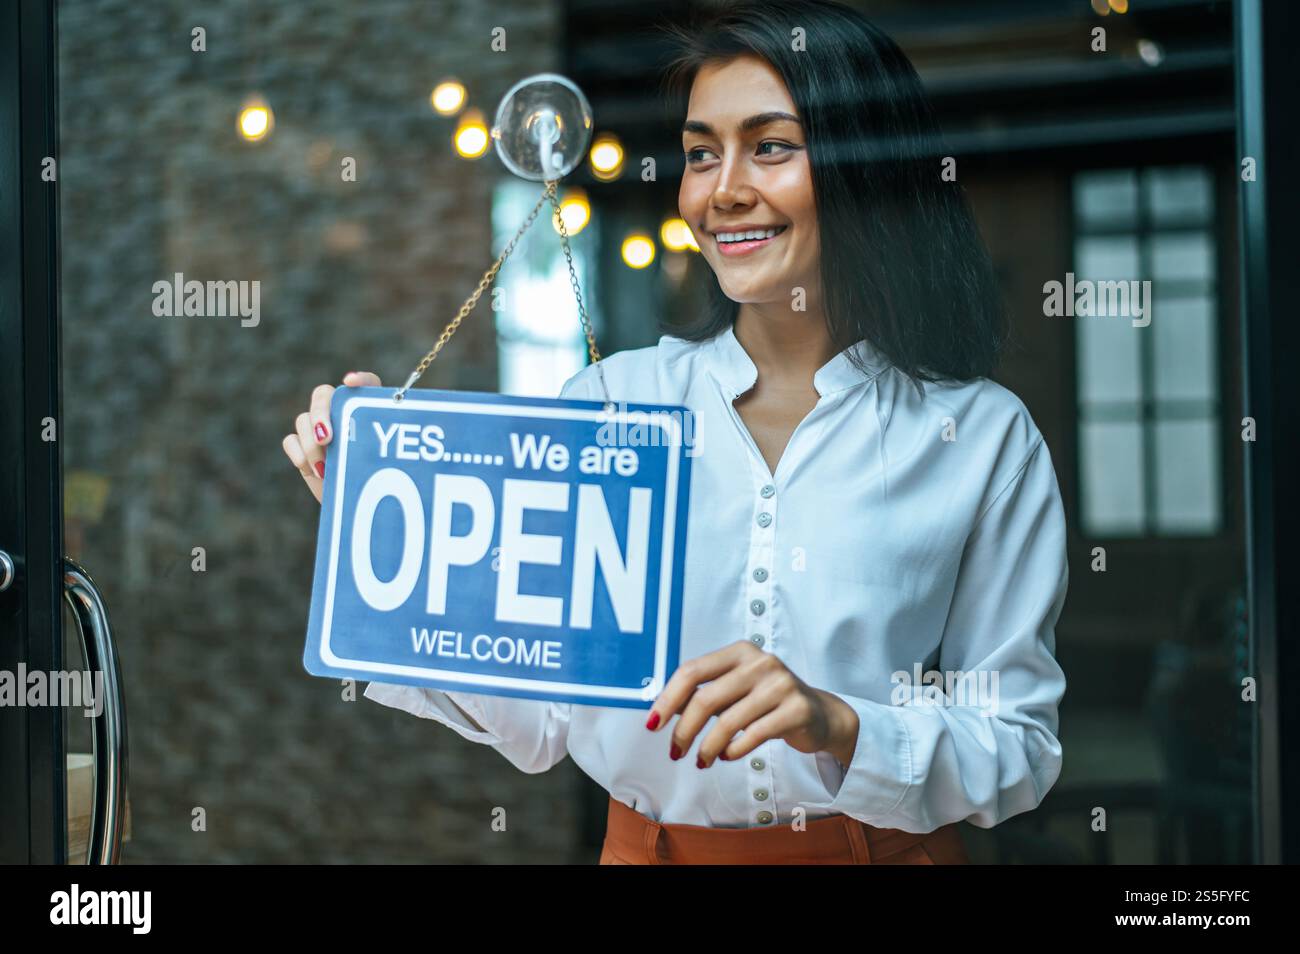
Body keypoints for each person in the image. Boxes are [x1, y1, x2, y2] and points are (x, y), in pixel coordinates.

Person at [281, 0, 1067, 865]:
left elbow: (1019, 749)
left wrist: (843, 726)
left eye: (770, 146)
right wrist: (379, 520)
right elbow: (541, 722)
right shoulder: (608, 404)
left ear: (864, 163)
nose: (722, 189)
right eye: (701, 153)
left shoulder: (979, 437)